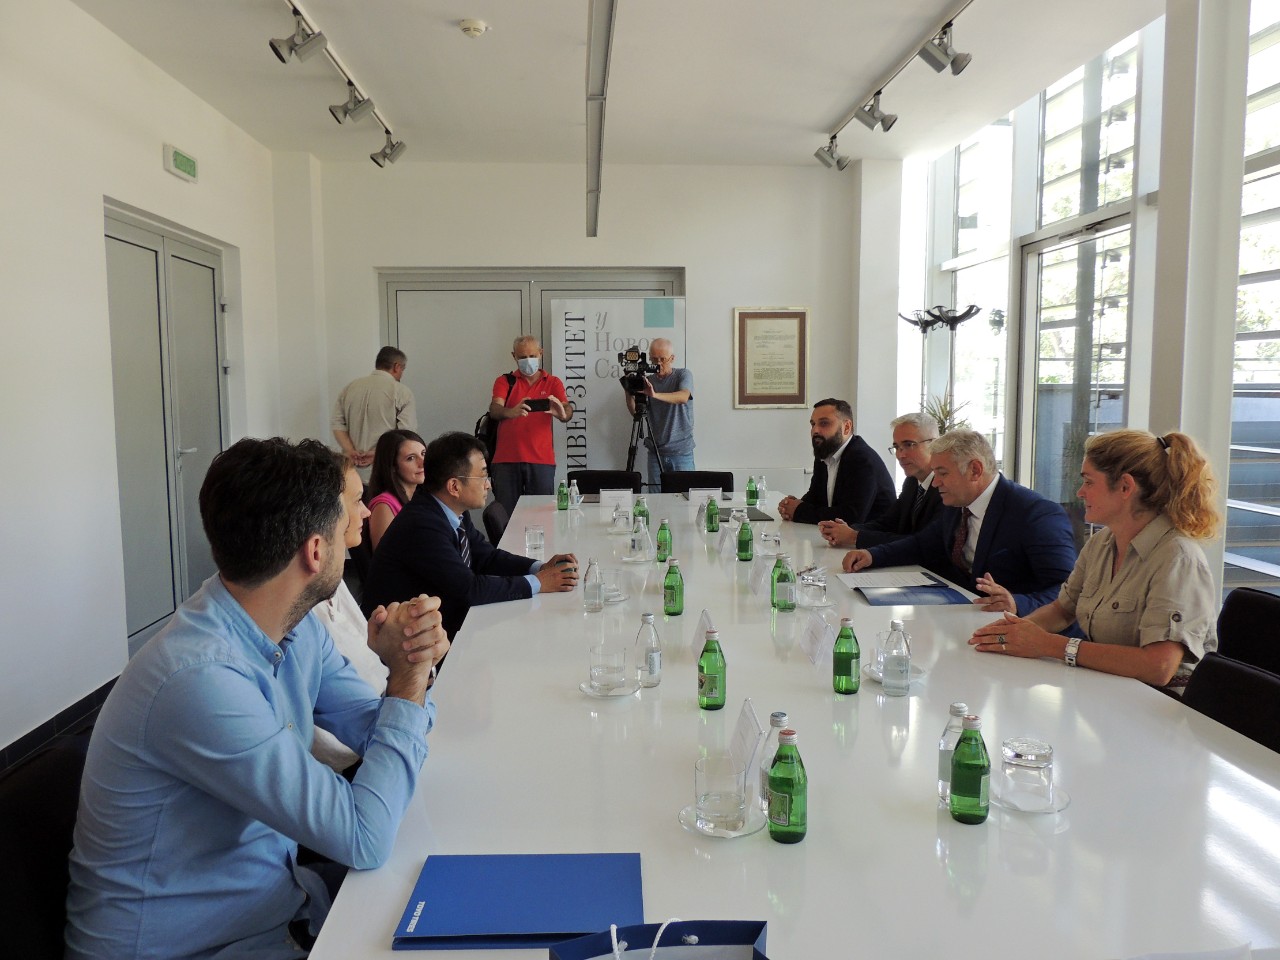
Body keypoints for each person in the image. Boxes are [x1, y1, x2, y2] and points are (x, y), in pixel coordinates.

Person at [65, 438, 449, 960]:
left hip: (277, 907)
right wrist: (407, 679)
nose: (359, 523)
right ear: (316, 551)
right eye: (348, 517)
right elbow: (364, 836)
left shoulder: (293, 628)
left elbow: (378, 730)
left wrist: (411, 663)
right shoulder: (199, 681)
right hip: (198, 947)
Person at [969, 430, 1220, 694]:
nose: (1080, 492)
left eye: (1088, 482)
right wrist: (1009, 634)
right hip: (1107, 690)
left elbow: (1159, 666)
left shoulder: (1177, 558)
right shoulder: (1102, 542)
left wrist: (1050, 645)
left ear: (1125, 487)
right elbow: (1063, 609)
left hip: (1160, 705)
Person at [363, 431, 580, 641]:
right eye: (483, 475)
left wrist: (539, 568)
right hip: (404, 640)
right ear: (454, 486)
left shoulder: (450, 510)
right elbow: (469, 589)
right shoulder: (422, 524)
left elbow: (486, 557)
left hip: (441, 623)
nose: (488, 484)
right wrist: (539, 583)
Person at [843, 429, 1077, 615]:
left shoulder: (1037, 515)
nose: (936, 483)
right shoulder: (958, 504)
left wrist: (1018, 603)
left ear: (975, 470)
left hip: (1017, 629)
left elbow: (1069, 592)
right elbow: (923, 545)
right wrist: (872, 555)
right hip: (963, 617)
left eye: (943, 473)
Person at [312, 457, 391, 773]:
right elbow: (336, 749)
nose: (366, 511)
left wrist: (404, 660)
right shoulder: (299, 609)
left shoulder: (331, 576)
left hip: (375, 725)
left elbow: (371, 672)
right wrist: (409, 674)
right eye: (358, 500)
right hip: (353, 762)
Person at [819, 411, 943, 549]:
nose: (900, 455)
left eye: (909, 444)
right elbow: (888, 523)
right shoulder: (912, 482)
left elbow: (925, 543)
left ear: (934, 444)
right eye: (896, 447)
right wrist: (844, 530)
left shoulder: (945, 488)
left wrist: (854, 537)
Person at [776, 398, 895, 525]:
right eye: (813, 424)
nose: (815, 430)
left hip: (874, 535)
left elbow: (851, 517)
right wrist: (792, 505)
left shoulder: (862, 460)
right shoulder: (824, 453)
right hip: (838, 535)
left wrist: (799, 510)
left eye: (824, 423)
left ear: (846, 427)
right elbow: (815, 497)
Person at [488, 336, 574, 513]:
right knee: (506, 516)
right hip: (506, 461)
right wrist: (511, 412)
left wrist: (562, 414)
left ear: (540, 353)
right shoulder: (505, 381)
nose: (528, 361)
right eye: (522, 357)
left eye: (532, 356)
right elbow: (495, 409)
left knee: (541, 515)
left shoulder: (553, 382)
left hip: (541, 460)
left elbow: (567, 409)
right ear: (514, 356)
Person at [331, 346, 418, 481]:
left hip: (351, 471)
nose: (402, 373)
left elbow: (337, 424)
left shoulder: (349, 388)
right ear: (396, 367)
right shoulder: (402, 392)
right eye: (403, 369)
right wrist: (378, 454)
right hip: (385, 470)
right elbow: (406, 434)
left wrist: (350, 450)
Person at [623, 337, 695, 486]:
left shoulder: (683, 375)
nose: (658, 363)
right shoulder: (648, 381)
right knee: (655, 497)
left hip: (681, 452)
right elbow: (636, 412)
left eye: (663, 359)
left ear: (672, 358)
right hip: (656, 453)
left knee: (685, 495)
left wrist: (654, 394)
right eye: (654, 359)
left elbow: (683, 397)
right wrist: (628, 391)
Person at [366, 428, 426, 551]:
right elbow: (384, 557)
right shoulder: (384, 505)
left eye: (423, 454)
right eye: (411, 458)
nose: (422, 463)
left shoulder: (421, 498)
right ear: (393, 466)